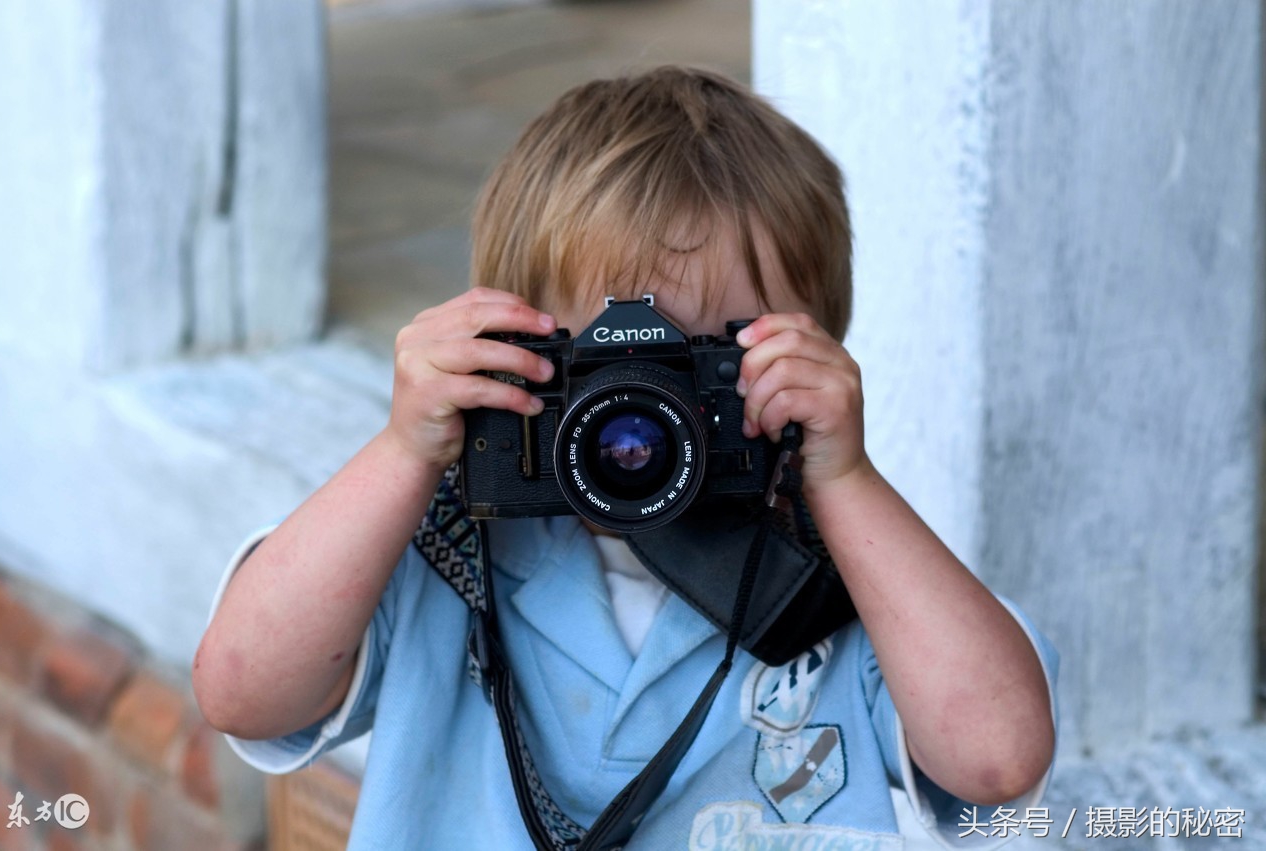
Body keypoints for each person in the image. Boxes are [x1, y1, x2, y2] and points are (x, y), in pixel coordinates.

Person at [193, 65, 1057, 849]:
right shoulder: (451, 551)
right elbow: (242, 690)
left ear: (808, 355)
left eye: (707, 364)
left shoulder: (847, 579)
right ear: (512, 349)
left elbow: (996, 760)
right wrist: (404, 450)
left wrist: (845, 481)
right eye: (608, 365)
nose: (648, 415)